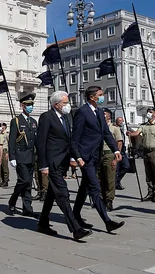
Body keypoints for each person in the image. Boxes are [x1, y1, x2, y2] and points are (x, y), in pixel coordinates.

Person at [36, 91, 92, 241]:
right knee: (63, 194)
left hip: (63, 162)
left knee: (52, 194)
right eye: (65, 103)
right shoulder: (47, 117)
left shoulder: (66, 118)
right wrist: (43, 165)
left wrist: (77, 157)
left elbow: (70, 141)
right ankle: (76, 229)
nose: (67, 106)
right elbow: (40, 142)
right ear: (56, 104)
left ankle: (42, 223)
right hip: (52, 162)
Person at [71, 86, 125, 233]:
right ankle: (107, 221)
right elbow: (75, 137)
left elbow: (106, 133)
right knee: (95, 188)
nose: (103, 97)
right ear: (92, 97)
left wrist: (115, 150)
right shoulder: (82, 112)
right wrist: (75, 156)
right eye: (100, 95)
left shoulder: (100, 112)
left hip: (97, 155)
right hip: (86, 157)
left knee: (85, 187)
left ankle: (74, 215)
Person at [8, 94, 39, 218]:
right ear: (22, 105)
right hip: (20, 156)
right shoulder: (16, 121)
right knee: (24, 180)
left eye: (31, 105)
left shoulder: (33, 122)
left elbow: (35, 140)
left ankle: (27, 209)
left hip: (31, 156)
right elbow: (11, 140)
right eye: (28, 105)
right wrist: (12, 157)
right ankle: (13, 200)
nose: (30, 107)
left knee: (28, 183)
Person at [127, 108, 155, 202]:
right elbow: (137, 133)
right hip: (146, 151)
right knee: (148, 173)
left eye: (151, 112)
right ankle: (150, 192)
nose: (148, 114)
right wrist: (130, 133)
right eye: (148, 112)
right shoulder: (143, 126)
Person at [98, 109, 123, 212]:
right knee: (99, 178)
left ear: (109, 116)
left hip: (109, 154)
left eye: (105, 115)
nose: (103, 116)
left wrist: (116, 158)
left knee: (110, 179)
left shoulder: (114, 128)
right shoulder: (98, 126)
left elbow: (119, 143)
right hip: (99, 154)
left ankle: (109, 200)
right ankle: (101, 199)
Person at [114, 116, 130, 190]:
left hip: (123, 151)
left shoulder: (121, 130)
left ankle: (117, 180)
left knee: (126, 166)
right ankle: (114, 184)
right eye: (120, 121)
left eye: (122, 121)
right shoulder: (114, 128)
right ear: (117, 121)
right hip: (116, 151)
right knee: (116, 169)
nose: (122, 122)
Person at [0, 123, 10, 187]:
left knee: (5, 166)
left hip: (5, 150)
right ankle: (2, 180)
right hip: (0, 150)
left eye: (3, 127)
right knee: (0, 166)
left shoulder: (6, 134)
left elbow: (9, 143)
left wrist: (8, 153)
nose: (1, 128)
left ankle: (6, 180)